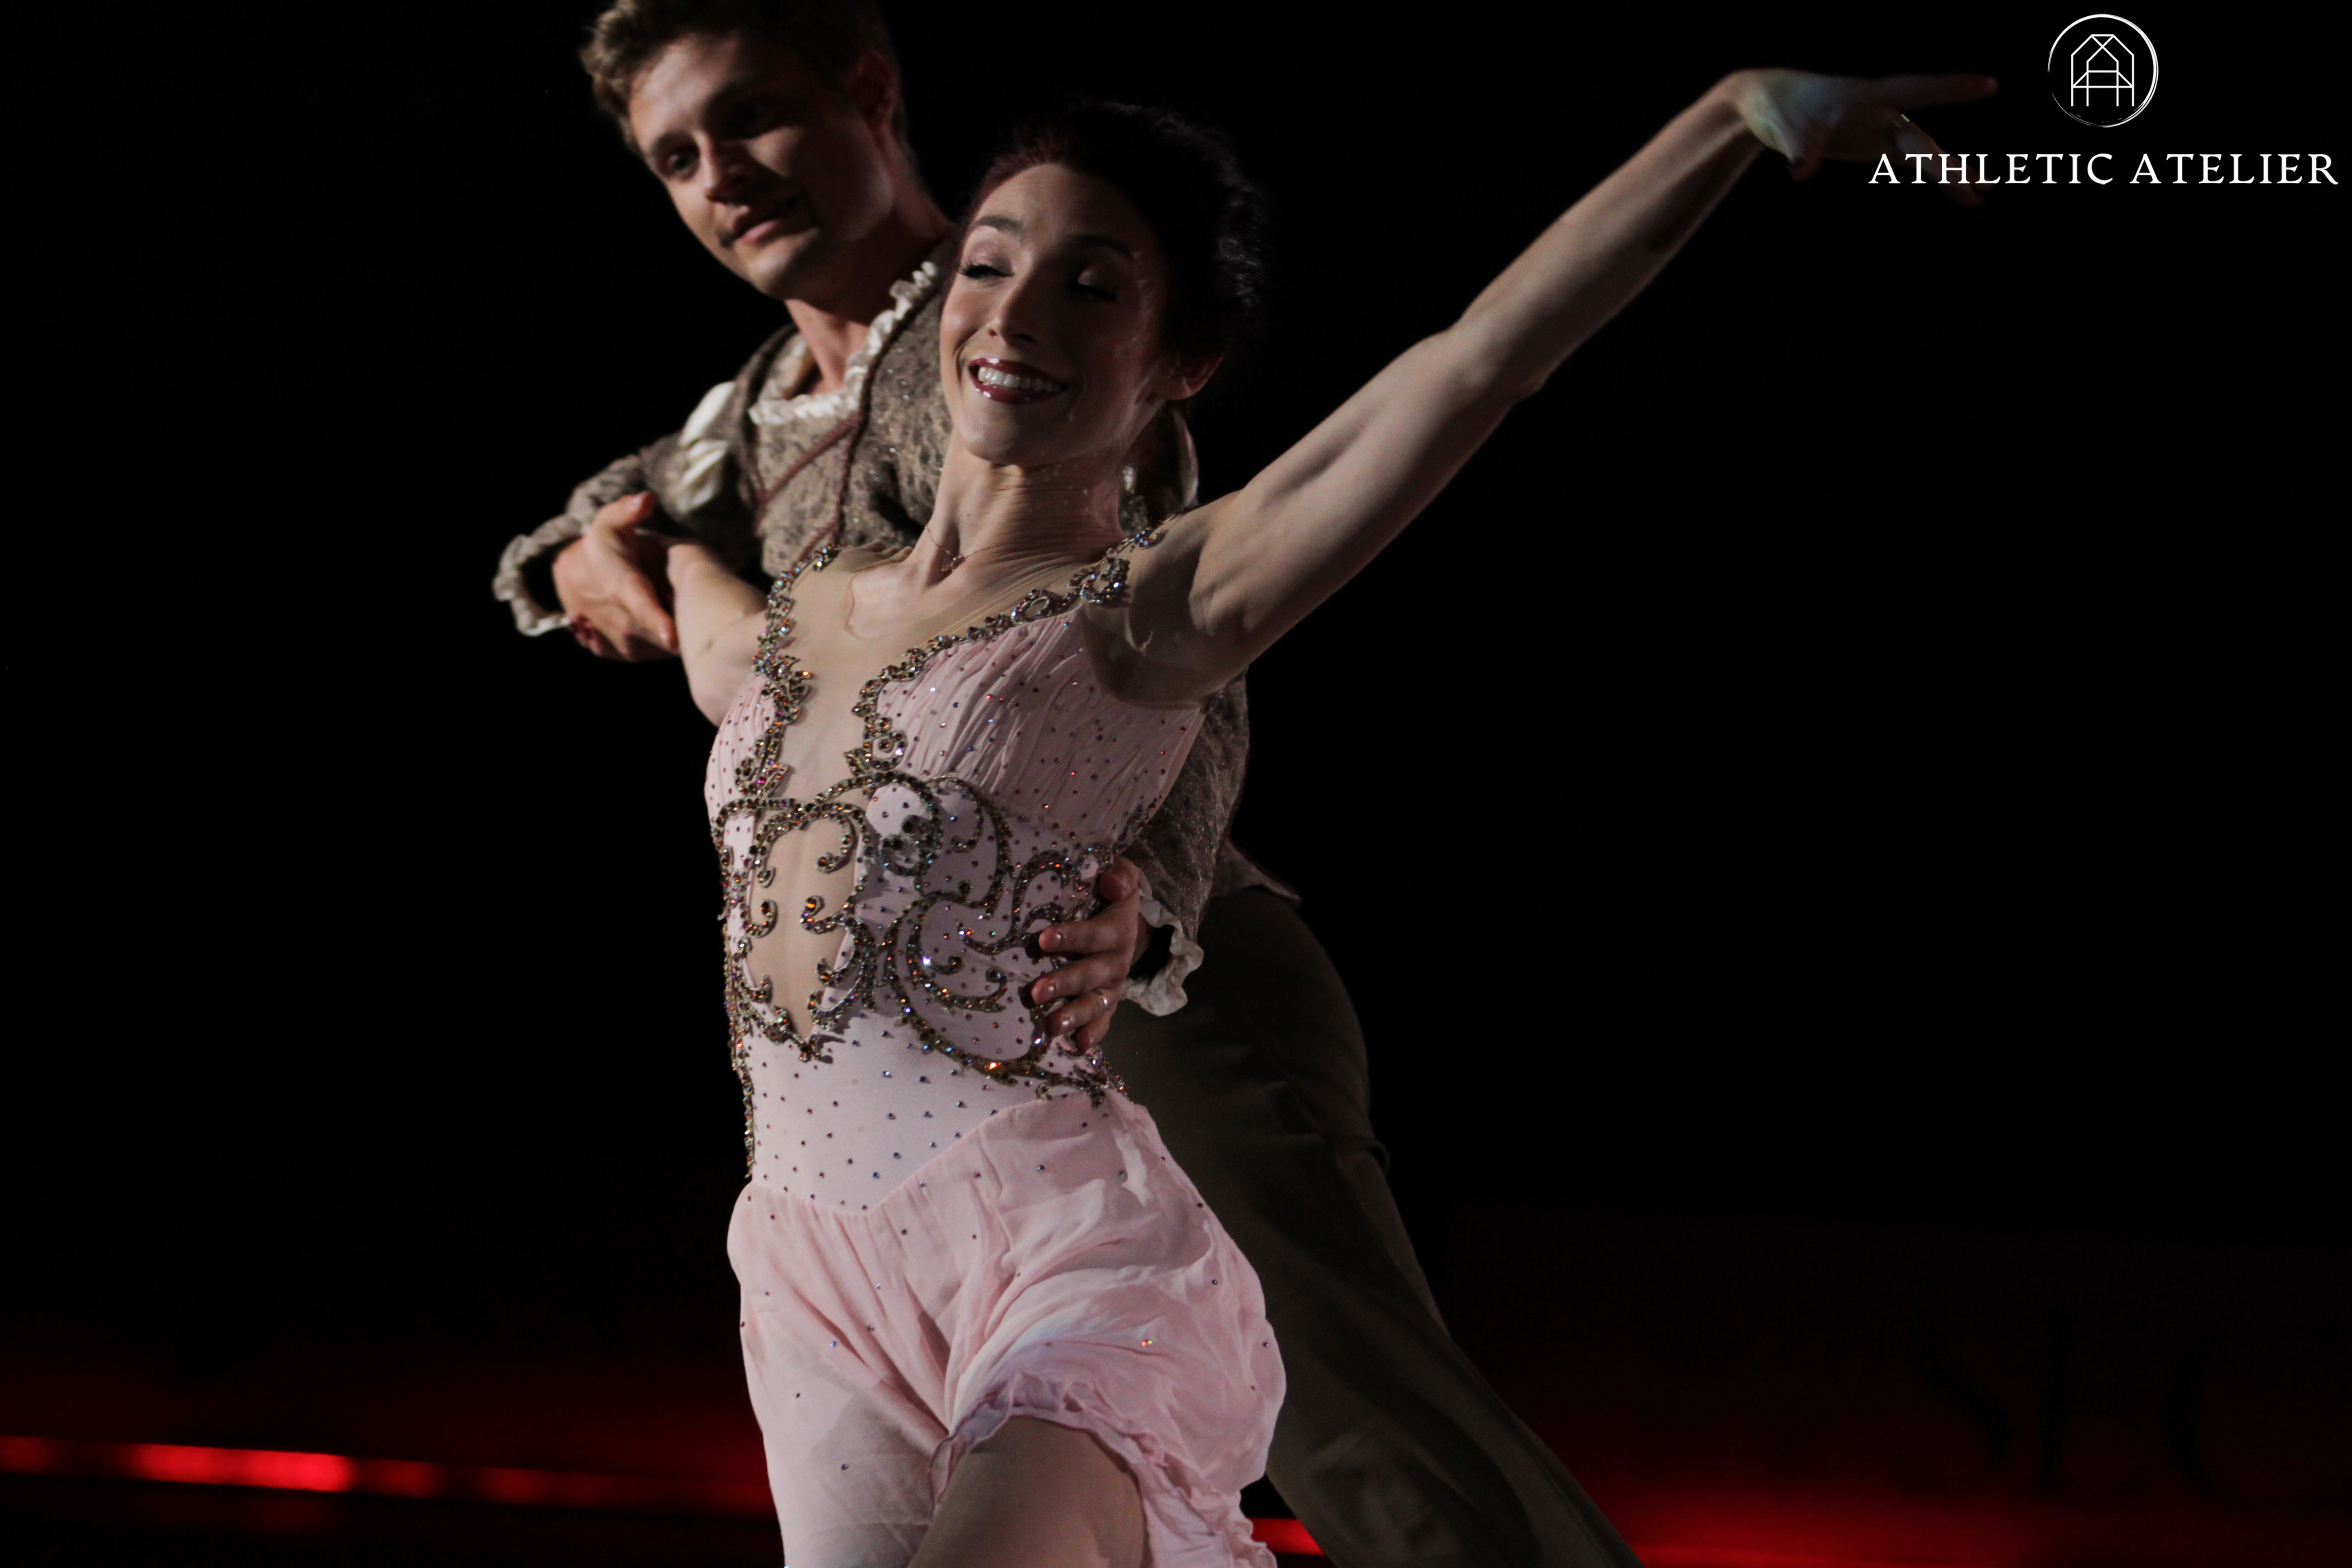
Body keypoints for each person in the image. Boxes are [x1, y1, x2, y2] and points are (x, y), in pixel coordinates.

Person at [658, 59, 1994, 1568]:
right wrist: (629, 550)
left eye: (1093, 288)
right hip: (810, 1273)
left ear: (1177, 364)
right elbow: (705, 640)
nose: (1020, 315)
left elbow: (1477, 364)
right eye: (989, 265)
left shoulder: (1156, 605)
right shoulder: (814, 605)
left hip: (1047, 1246)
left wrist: (1732, 119)